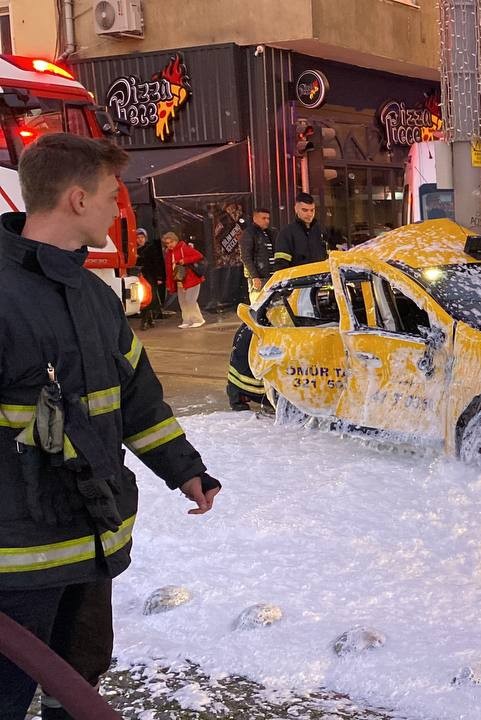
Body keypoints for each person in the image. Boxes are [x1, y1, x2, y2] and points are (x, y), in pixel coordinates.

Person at [0, 132, 221, 720]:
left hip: (90, 545)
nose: (118, 209)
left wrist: (186, 471)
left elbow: (138, 401)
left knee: (78, 689)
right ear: (76, 199)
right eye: (110, 195)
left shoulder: (96, 299)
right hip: (15, 565)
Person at [272, 192, 327, 271]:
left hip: (320, 279)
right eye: (305, 210)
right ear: (296, 209)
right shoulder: (286, 233)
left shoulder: (320, 231)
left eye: (312, 210)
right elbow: (281, 265)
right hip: (298, 281)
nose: (309, 214)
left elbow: (328, 257)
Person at [161, 231, 205, 329]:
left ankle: (198, 319)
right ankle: (187, 320)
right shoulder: (169, 254)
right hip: (180, 280)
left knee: (190, 300)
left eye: (171, 242)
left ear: (176, 241)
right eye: (167, 243)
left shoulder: (184, 248)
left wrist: (184, 260)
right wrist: (169, 283)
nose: (169, 245)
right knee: (183, 301)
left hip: (192, 279)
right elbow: (168, 270)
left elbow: (199, 255)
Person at [226, 323, 267, 412]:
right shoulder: (268, 330)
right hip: (263, 393)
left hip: (238, 390)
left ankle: (237, 396)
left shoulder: (247, 326)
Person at [133, 227, 166, 330]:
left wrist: (159, 277)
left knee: (149, 298)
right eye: (137, 237)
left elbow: (157, 263)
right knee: (144, 298)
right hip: (139, 277)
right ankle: (150, 319)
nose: (140, 239)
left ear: (145, 237)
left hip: (150, 277)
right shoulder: (133, 250)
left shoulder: (151, 248)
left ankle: (145, 321)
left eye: (142, 237)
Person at [241, 208, 274, 303]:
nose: (267, 221)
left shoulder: (269, 233)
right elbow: (246, 256)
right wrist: (254, 276)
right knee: (259, 304)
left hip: (270, 275)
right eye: (263, 218)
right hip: (259, 277)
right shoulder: (249, 233)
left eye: (268, 218)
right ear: (255, 218)